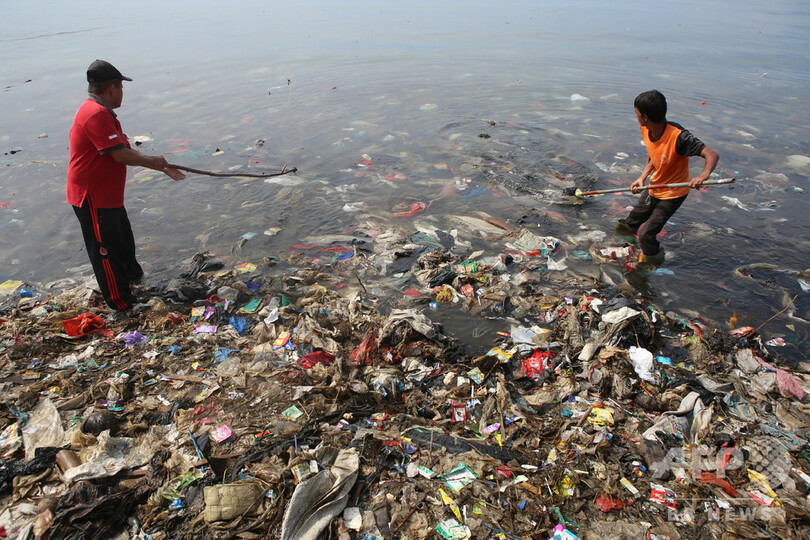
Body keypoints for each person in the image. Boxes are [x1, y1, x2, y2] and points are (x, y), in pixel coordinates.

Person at [67, 60, 186, 312]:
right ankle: (122, 304)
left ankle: (133, 280)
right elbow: (120, 155)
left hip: (108, 195)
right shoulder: (95, 114)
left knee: (122, 241)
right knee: (105, 249)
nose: (122, 93)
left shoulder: (103, 112)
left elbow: (122, 149)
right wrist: (154, 163)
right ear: (112, 88)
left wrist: (161, 165)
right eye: (121, 87)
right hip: (92, 196)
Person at [617, 90, 719, 264]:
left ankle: (652, 263)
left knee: (646, 235)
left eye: (637, 114)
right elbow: (654, 154)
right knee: (628, 224)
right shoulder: (646, 128)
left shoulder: (678, 137)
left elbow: (711, 154)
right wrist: (642, 177)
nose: (636, 117)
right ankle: (627, 251)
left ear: (645, 116)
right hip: (654, 188)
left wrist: (703, 175)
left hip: (673, 194)